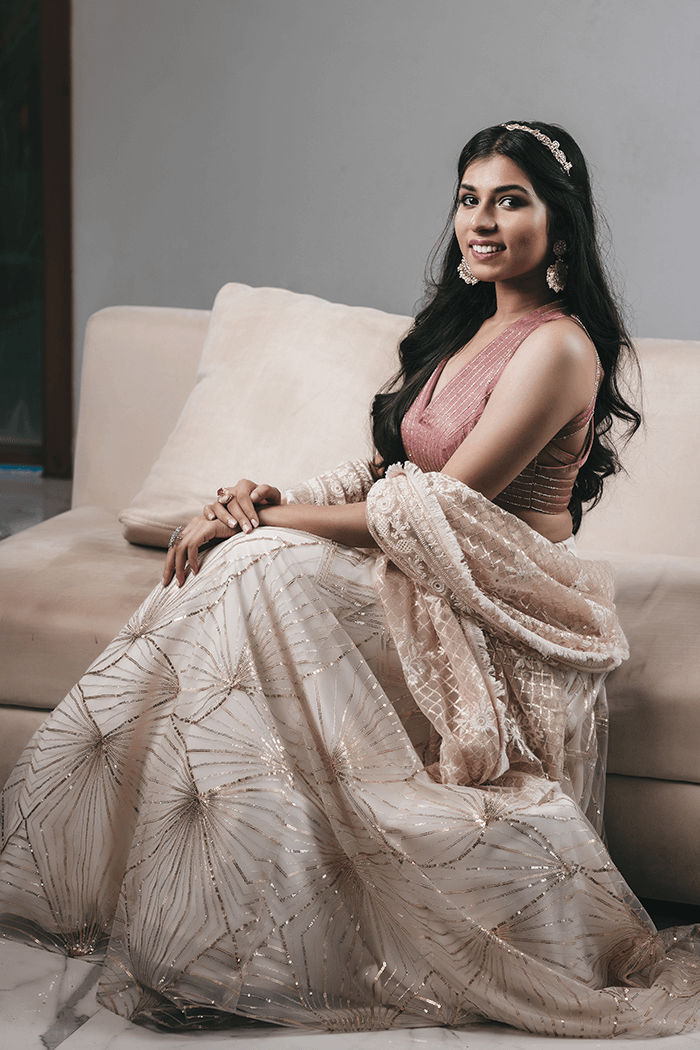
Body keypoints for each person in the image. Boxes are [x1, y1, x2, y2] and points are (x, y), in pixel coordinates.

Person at [2, 121, 699, 1038]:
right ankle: (207, 930)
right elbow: (387, 472)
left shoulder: (559, 347)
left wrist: (262, 524)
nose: (482, 222)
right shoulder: (464, 329)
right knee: (249, 570)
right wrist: (266, 496)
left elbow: (439, 505)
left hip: (499, 605)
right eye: (469, 200)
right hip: (428, 571)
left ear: (559, 224)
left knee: (259, 566)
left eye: (511, 201)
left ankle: (221, 939)